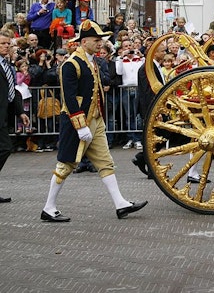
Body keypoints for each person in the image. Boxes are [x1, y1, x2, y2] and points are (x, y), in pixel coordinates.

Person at [39, 20, 147, 222]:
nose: (100, 43)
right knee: (66, 164)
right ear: (84, 40)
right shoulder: (71, 64)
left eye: (101, 40)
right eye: (96, 40)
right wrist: (80, 127)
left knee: (106, 162)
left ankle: (120, 203)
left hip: (95, 120)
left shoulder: (93, 61)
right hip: (76, 123)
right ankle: (49, 207)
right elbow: (69, 98)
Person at [131, 40, 167, 179]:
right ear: (155, 53)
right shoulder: (146, 68)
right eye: (162, 51)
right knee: (154, 138)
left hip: (156, 109)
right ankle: (149, 165)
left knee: (159, 138)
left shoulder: (155, 67)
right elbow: (147, 93)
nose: (165, 53)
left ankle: (143, 158)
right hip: (150, 110)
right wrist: (153, 112)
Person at [0, 32, 27, 203]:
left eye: (8, 44)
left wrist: (21, 112)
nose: (6, 46)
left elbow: (13, 91)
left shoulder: (8, 65)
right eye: (2, 43)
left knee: (4, 148)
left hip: (4, 115)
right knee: (5, 148)